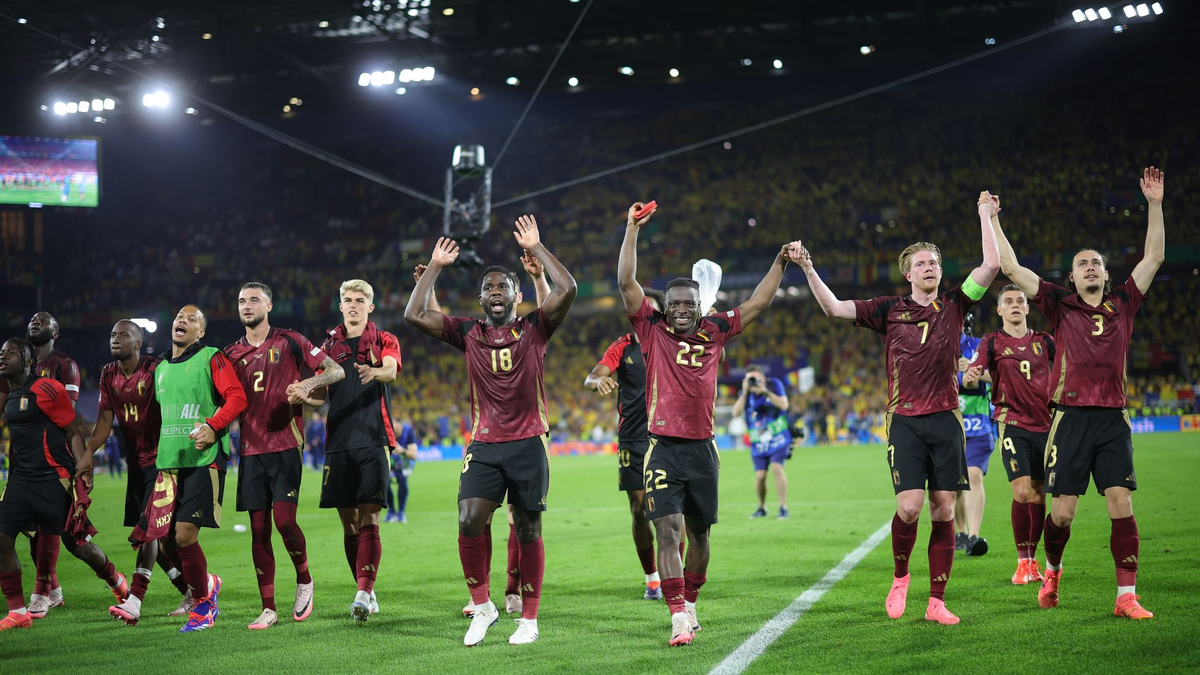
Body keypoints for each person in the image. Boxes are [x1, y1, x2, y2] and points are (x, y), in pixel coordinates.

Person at [796, 194, 1000, 626]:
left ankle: (937, 601)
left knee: (944, 508)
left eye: (935, 263)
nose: (930, 268)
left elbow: (991, 266)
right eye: (922, 263)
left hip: (946, 419)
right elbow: (834, 308)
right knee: (909, 507)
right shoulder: (889, 310)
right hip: (904, 420)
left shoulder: (955, 305)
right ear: (909, 273)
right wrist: (809, 268)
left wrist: (984, 215)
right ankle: (901, 577)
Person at [986, 168, 1165, 620]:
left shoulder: (1124, 302)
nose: (1090, 267)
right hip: (1068, 418)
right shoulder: (1058, 305)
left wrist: (1155, 204)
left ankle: (1126, 595)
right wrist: (992, 219)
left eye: (1097, 263)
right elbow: (1011, 268)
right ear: (1072, 275)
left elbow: (1154, 257)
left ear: (1106, 274)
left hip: (1112, 418)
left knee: (1121, 502)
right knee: (1062, 513)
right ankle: (1052, 570)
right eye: (1083, 263)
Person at [618, 201, 795, 646]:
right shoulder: (650, 329)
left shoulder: (715, 329)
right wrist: (632, 230)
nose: (680, 309)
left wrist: (778, 261)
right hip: (661, 446)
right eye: (674, 303)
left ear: (699, 303)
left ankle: (691, 603)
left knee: (699, 535)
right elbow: (625, 281)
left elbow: (758, 302)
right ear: (666, 306)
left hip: (703, 448)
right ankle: (677, 614)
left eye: (687, 303)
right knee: (669, 529)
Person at [405, 214, 577, 646]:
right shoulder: (467, 332)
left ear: (517, 296)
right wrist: (434, 269)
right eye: (489, 288)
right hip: (484, 443)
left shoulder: (536, 328)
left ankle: (529, 619)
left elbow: (568, 288)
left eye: (504, 287)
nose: (496, 293)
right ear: (480, 298)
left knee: (529, 528)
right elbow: (413, 314)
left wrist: (537, 248)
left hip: (528, 442)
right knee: (469, 520)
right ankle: (482, 608)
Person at [226, 282, 345, 630]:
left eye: (253, 300)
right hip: (249, 450)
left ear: (269, 305)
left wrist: (307, 386)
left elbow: (335, 370)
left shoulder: (289, 340)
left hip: (285, 446)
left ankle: (305, 580)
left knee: (283, 522)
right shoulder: (230, 355)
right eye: (241, 301)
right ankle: (267, 607)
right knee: (258, 530)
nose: (246, 306)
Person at [0, 338, 128, 631]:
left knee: (78, 544)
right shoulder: (9, 393)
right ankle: (18, 611)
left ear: (28, 360)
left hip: (51, 479)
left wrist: (83, 464)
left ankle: (115, 580)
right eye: (1, 353)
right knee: (2, 538)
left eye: (10, 353)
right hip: (20, 480)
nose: (3, 357)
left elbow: (71, 431)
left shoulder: (46, 388)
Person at [292, 279, 399, 624]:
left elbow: (392, 370)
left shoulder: (383, 340)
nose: (353, 305)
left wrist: (374, 370)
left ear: (370, 306)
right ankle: (365, 589)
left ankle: (364, 593)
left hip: (373, 437)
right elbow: (321, 396)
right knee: (349, 525)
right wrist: (301, 393)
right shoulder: (329, 345)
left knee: (369, 518)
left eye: (360, 300)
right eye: (347, 300)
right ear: (340, 306)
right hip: (338, 442)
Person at [142, 305, 247, 632]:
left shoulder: (211, 357)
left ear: (201, 332)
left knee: (184, 534)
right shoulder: (159, 368)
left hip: (204, 460)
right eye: (179, 317)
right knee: (163, 538)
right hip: (169, 465)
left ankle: (203, 605)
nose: (182, 321)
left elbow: (237, 397)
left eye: (192, 319)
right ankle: (207, 583)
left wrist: (213, 427)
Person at [87, 320, 193, 625]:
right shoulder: (108, 374)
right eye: (112, 334)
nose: (115, 339)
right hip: (136, 465)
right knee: (161, 542)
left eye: (123, 335)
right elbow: (104, 424)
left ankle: (134, 600)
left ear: (138, 343)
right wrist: (85, 455)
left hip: (162, 462)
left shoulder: (156, 369)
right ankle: (195, 589)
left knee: (150, 532)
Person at [964, 283, 1054, 585]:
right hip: (1011, 423)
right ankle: (1021, 561)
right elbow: (975, 368)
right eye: (1008, 301)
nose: (1015, 305)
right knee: (1022, 492)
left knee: (1040, 495)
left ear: (1027, 308)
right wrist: (972, 373)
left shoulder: (1045, 342)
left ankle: (1032, 559)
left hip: (1046, 425)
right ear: (1000, 309)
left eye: (1020, 301)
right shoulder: (991, 342)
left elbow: (1067, 370)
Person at [584, 288, 668, 600]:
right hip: (633, 439)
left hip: (669, 436)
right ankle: (652, 579)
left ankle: (677, 577)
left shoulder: (673, 342)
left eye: (651, 310)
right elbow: (591, 378)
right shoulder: (624, 346)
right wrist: (598, 382)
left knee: (672, 512)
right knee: (638, 509)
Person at [0, 312, 81, 619]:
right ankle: (44, 593)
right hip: (19, 464)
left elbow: (66, 419)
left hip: (51, 463)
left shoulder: (64, 366)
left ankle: (43, 591)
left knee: (55, 533)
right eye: (33, 318)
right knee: (19, 529)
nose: (36, 321)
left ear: (55, 332)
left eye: (45, 319)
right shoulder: (11, 367)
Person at [953, 314, 993, 556]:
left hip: (978, 426)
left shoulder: (980, 345)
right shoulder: (932, 345)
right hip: (948, 424)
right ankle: (960, 532)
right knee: (954, 484)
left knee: (973, 475)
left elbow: (999, 375)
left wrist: (973, 369)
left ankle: (974, 537)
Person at [731, 366, 791, 520]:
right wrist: (744, 392)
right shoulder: (746, 394)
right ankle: (762, 507)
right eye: (749, 379)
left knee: (777, 468)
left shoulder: (773, 384)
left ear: (763, 379)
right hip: (758, 442)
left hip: (778, 437)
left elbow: (784, 405)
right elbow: (735, 413)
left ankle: (783, 507)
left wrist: (766, 392)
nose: (753, 383)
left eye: (755, 379)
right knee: (760, 476)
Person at [386, 420, 418, 524]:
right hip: (389, 458)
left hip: (404, 459)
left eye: (396, 434)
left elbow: (414, 455)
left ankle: (401, 513)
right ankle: (391, 512)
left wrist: (401, 451)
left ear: (399, 426)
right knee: (385, 481)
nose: (395, 436)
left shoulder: (408, 431)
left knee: (403, 478)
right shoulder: (385, 430)